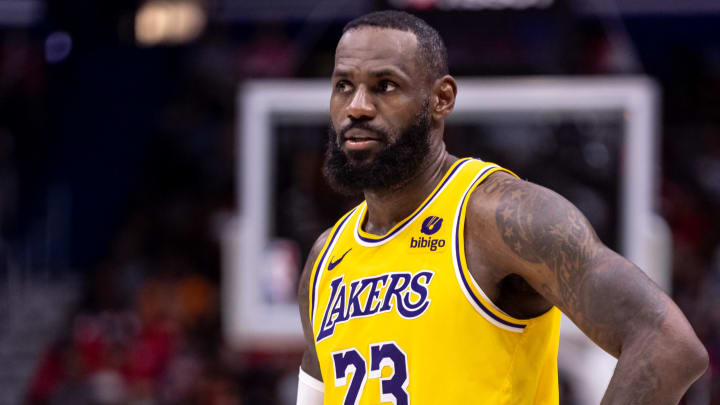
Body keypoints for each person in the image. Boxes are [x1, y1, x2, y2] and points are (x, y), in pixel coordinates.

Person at [296, 10, 707, 405]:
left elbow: (667, 342)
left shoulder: (498, 215)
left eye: (385, 86)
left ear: (441, 99)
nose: (357, 106)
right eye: (344, 86)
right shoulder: (325, 257)